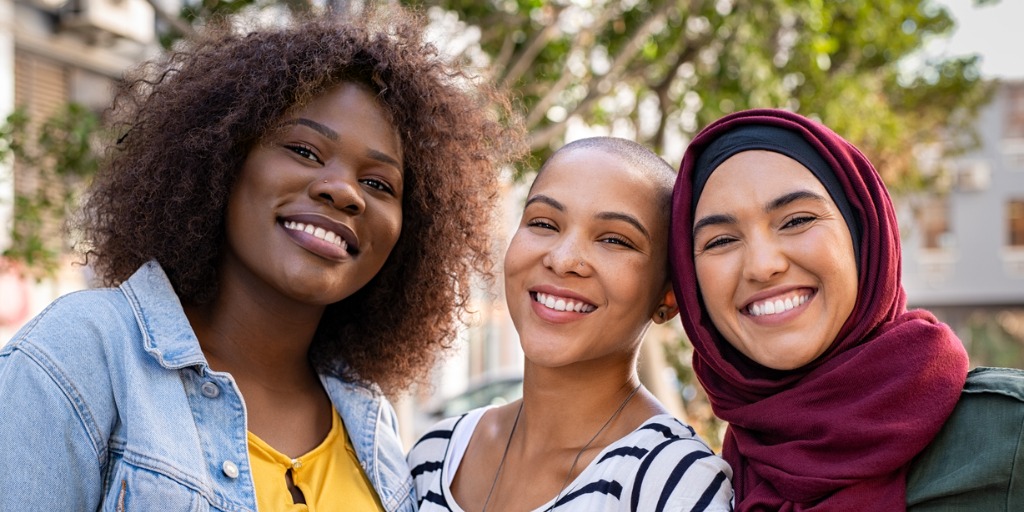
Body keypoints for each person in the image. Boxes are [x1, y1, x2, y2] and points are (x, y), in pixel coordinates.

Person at [0, 7, 524, 511]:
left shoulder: (369, 422)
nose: (344, 192)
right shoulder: (83, 354)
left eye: (377, 183)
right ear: (222, 160)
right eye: (304, 151)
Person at [670, 107, 1024, 511]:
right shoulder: (704, 483)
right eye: (720, 241)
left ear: (863, 235)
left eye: (796, 220)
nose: (762, 265)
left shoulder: (1005, 436)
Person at [408, 137, 734, 512]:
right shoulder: (436, 454)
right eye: (544, 223)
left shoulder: (673, 482)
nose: (563, 259)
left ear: (669, 296)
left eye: (614, 239)